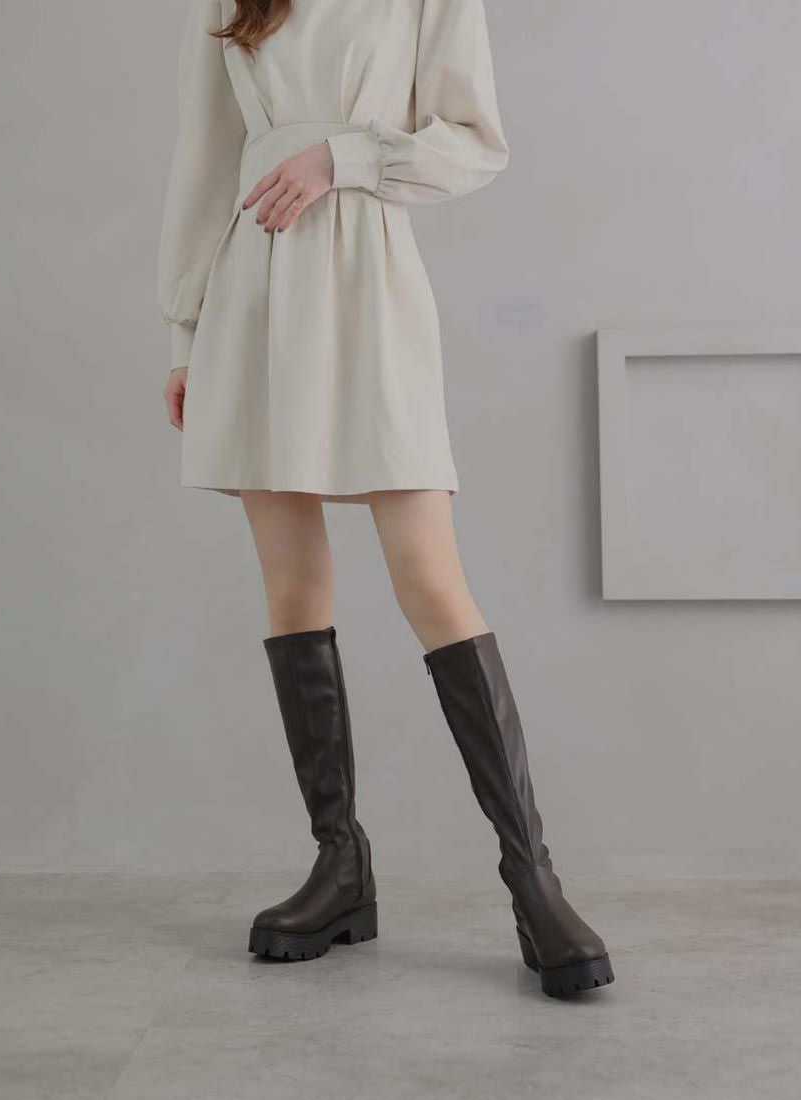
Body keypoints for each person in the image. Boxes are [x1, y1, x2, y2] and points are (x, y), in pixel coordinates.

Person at [156, 0, 613, 998]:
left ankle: (532, 879)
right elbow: (205, 160)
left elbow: (475, 140)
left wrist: (343, 158)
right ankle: (339, 865)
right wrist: (185, 332)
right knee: (291, 585)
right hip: (253, 289)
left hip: (366, 278)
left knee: (430, 581)